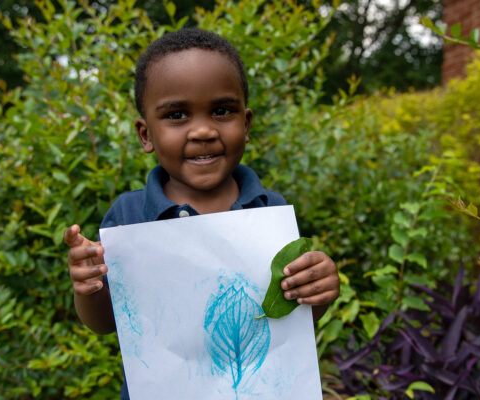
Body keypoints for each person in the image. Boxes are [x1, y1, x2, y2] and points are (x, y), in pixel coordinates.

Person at [64, 27, 340, 399]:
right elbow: (104, 324)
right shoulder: (129, 216)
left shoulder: (269, 211)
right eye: (177, 115)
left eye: (222, 111)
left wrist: (318, 292)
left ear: (246, 124)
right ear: (146, 135)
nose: (203, 130)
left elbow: (290, 320)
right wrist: (87, 286)